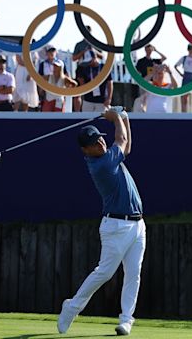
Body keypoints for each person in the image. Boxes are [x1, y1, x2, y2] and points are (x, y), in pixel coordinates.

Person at [57, 108, 146, 336]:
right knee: (104, 273)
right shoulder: (101, 165)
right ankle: (72, 307)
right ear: (85, 150)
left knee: (133, 273)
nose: (100, 144)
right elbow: (122, 139)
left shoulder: (108, 156)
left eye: (100, 139)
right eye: (94, 143)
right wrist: (115, 117)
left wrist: (124, 118)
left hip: (137, 225)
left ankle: (126, 319)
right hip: (116, 226)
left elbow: (127, 145)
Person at [134, 44, 167, 112]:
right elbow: (137, 72)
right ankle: (142, 111)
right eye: (147, 49)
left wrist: (156, 50)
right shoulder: (141, 61)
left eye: (150, 49)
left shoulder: (154, 61)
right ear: (145, 50)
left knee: (150, 99)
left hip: (153, 84)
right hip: (144, 82)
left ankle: (147, 110)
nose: (149, 51)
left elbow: (164, 58)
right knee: (142, 98)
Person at [174, 44, 192, 112]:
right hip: (186, 76)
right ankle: (184, 112)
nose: (191, 50)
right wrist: (180, 74)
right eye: (190, 48)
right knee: (184, 96)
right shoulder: (184, 58)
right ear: (188, 49)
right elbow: (176, 66)